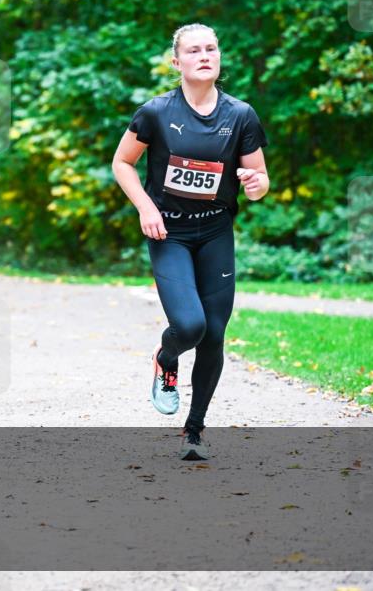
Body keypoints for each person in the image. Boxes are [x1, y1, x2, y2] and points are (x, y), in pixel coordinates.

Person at [111, 23, 270, 460]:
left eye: (212, 48)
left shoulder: (241, 115)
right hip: (170, 232)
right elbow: (122, 162)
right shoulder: (156, 113)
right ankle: (167, 357)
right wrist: (146, 207)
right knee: (190, 327)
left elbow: (260, 182)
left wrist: (255, 184)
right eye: (194, 50)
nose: (205, 55)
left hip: (216, 232)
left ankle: (194, 429)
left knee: (214, 334)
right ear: (176, 61)